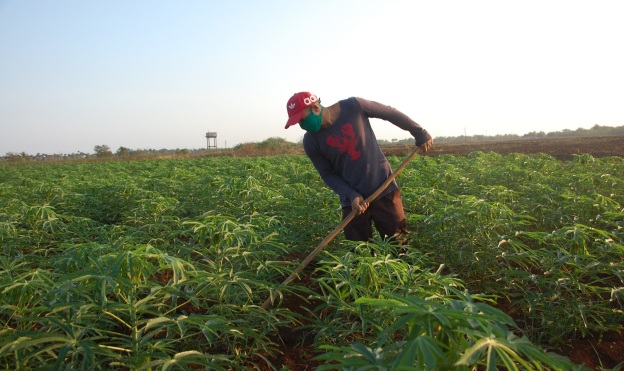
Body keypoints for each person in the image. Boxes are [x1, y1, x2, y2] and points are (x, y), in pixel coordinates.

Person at [284, 92, 433, 242]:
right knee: (358, 255)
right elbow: (328, 174)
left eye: (302, 120)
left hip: (383, 189)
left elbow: (389, 113)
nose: (302, 125)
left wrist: (419, 132)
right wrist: (351, 194)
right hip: (353, 203)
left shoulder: (354, 106)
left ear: (315, 108)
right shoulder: (311, 141)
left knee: (398, 246)